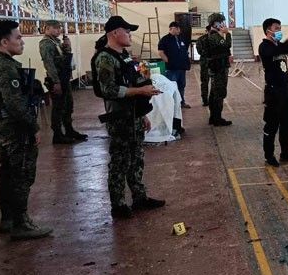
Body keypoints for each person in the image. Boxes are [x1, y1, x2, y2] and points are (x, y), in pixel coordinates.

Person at [0, 20, 52, 240]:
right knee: (22, 173)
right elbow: (15, 104)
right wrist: (33, 126)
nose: (22, 41)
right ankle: (22, 223)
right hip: (16, 128)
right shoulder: (6, 67)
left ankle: (7, 218)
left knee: (8, 171)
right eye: (18, 37)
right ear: (4, 41)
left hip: (2, 126)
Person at [92, 15, 166, 219]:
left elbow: (133, 81)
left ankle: (139, 197)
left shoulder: (123, 56)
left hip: (134, 115)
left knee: (136, 159)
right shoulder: (105, 58)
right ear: (115, 33)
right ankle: (118, 205)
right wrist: (140, 91)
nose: (130, 35)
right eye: (127, 32)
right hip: (119, 118)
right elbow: (108, 89)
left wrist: (142, 114)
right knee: (120, 161)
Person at [259, 18, 288, 167]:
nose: (279, 31)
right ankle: (269, 155)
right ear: (268, 31)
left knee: (287, 123)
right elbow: (277, 50)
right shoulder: (265, 47)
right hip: (273, 92)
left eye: (280, 28)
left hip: (285, 90)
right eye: (276, 28)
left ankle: (285, 152)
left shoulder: (278, 45)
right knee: (272, 125)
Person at [39, 20, 87, 144]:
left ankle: (69, 130)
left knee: (68, 105)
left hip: (64, 78)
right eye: (55, 28)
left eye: (59, 28)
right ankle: (57, 134)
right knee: (58, 107)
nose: (58, 30)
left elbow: (65, 57)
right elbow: (49, 64)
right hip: (56, 79)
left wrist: (67, 46)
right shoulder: (46, 44)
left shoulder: (57, 42)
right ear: (47, 28)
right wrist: (56, 82)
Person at [206, 13, 232, 126]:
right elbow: (227, 45)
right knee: (219, 93)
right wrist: (227, 34)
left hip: (217, 67)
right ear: (215, 23)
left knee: (214, 93)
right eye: (221, 22)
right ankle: (217, 118)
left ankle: (213, 117)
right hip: (219, 69)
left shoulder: (213, 35)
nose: (223, 24)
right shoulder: (214, 36)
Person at [158, 21, 191, 109]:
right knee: (172, 86)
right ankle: (172, 104)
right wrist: (168, 62)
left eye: (179, 28)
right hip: (172, 68)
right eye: (177, 28)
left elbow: (184, 50)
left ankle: (181, 102)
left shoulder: (180, 38)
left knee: (181, 85)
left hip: (182, 67)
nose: (179, 30)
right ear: (171, 28)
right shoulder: (165, 39)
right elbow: (161, 52)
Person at [196, 25, 211, 106]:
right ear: (207, 31)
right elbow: (200, 51)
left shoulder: (217, 38)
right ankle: (205, 100)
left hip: (215, 64)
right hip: (205, 64)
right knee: (205, 82)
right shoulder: (201, 39)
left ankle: (214, 99)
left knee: (216, 83)